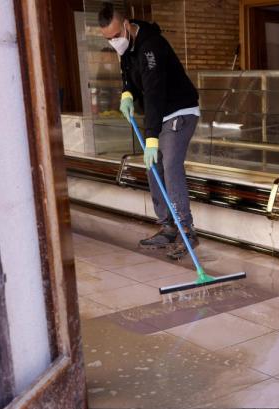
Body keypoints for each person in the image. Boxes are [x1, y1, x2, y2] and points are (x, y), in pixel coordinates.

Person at [99, 3, 201, 259]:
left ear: (125, 25)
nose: (113, 42)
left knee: (169, 166)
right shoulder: (128, 46)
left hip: (179, 111)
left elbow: (155, 93)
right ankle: (167, 227)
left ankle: (186, 229)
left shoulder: (151, 47)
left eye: (115, 36)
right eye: (108, 39)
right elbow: (127, 74)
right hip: (160, 114)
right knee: (153, 166)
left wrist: (152, 136)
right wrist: (127, 93)